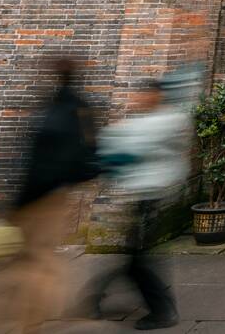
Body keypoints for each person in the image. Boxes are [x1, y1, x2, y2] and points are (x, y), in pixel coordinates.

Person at [83, 79, 191, 330]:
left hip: (151, 195)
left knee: (137, 258)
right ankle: (94, 298)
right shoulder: (150, 120)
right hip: (142, 193)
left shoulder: (165, 121)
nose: (138, 99)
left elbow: (128, 145)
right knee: (134, 256)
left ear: (156, 96)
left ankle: (162, 311)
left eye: (143, 95)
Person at [9, 58, 99, 333]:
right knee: (43, 258)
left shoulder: (59, 110)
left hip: (42, 194)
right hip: (55, 191)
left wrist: (20, 200)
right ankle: (64, 310)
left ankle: (32, 321)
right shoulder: (77, 107)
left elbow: (45, 160)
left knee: (35, 259)